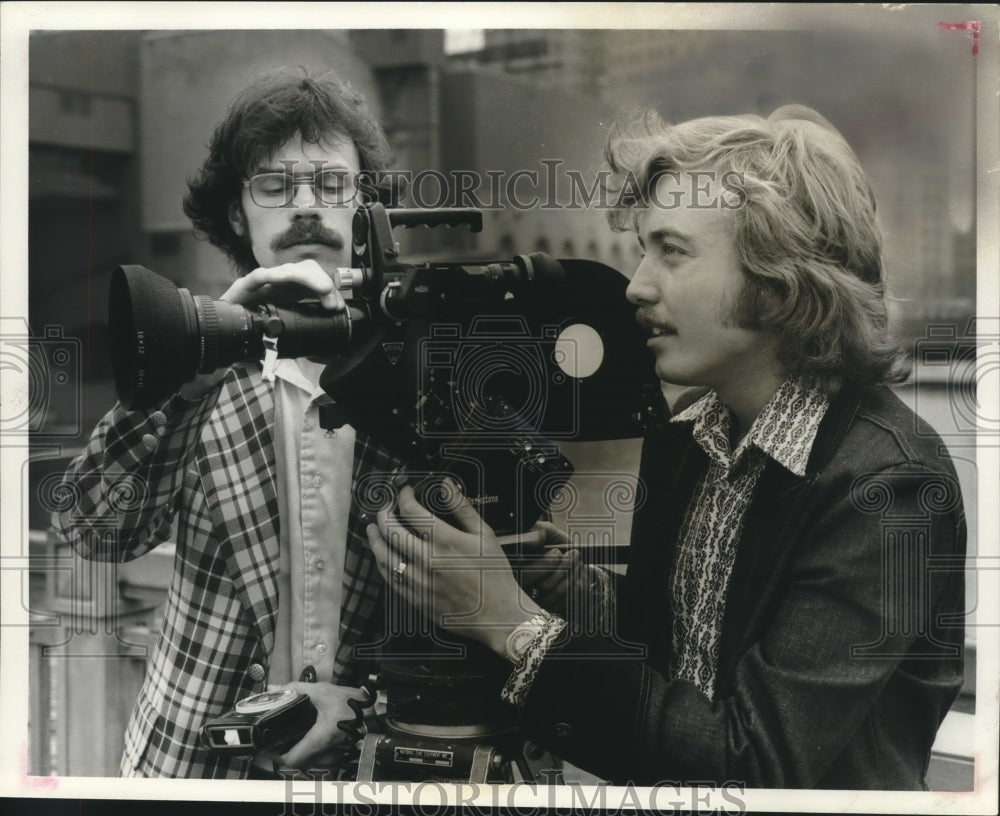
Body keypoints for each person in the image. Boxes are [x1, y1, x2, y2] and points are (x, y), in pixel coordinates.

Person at [366, 105, 968, 789]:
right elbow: (678, 649)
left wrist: (509, 622)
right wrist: (562, 582)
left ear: (779, 275)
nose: (637, 286)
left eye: (672, 252)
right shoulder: (692, 433)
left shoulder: (887, 486)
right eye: (641, 251)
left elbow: (755, 764)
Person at [52, 69, 403, 778]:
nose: (306, 207)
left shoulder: (415, 366)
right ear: (238, 215)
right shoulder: (195, 361)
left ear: (368, 206)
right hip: (191, 768)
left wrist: (368, 699)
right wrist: (199, 365)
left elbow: (465, 591)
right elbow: (91, 528)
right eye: (274, 186)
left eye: (333, 185)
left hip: (359, 769)